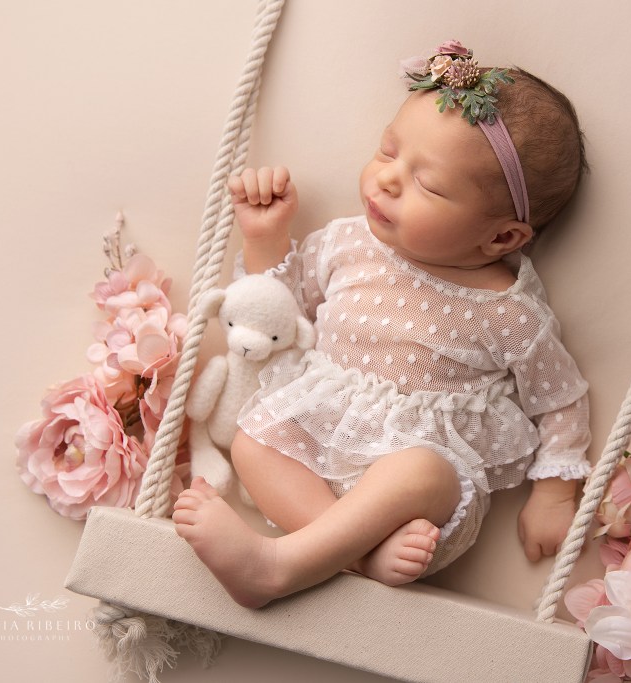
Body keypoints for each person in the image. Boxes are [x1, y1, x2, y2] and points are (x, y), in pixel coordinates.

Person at [172, 41, 592, 609]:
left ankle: (278, 566)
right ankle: (352, 556)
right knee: (253, 440)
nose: (388, 179)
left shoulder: (509, 311)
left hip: (418, 509)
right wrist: (264, 235)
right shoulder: (349, 244)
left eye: (430, 185)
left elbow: (558, 397)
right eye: (388, 150)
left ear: (499, 237)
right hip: (322, 451)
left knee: (420, 470)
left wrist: (555, 495)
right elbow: (284, 309)